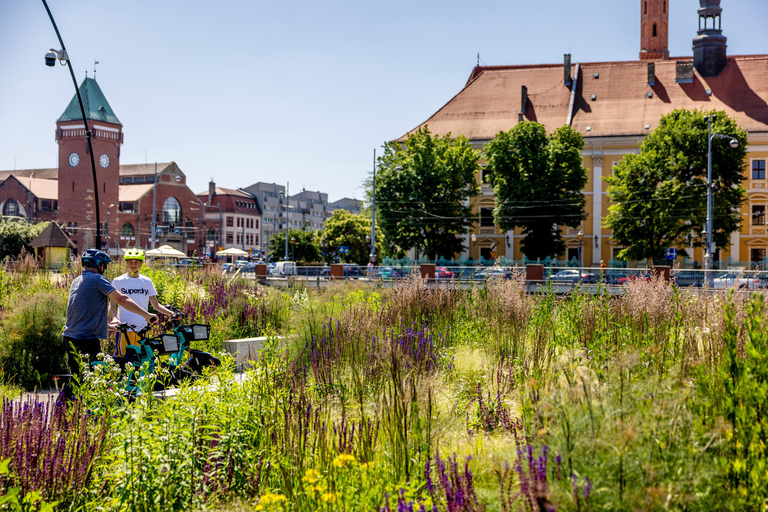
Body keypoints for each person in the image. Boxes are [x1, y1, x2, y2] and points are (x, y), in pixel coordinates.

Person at [62, 249, 158, 391]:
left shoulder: (77, 280)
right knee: (93, 380)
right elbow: (123, 299)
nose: (105, 269)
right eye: (104, 266)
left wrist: (107, 326)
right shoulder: (98, 279)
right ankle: (87, 410)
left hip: (70, 337)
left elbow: (82, 313)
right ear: (100, 265)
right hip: (86, 340)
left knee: (77, 378)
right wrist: (147, 315)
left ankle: (67, 407)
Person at [109, 248, 174, 357]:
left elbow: (156, 305)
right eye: (130, 262)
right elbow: (112, 305)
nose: (133, 265)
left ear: (141, 263)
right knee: (123, 360)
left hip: (143, 329)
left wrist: (172, 314)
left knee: (142, 360)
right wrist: (114, 318)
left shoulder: (147, 281)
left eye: (136, 262)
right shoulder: (118, 281)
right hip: (125, 329)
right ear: (126, 263)